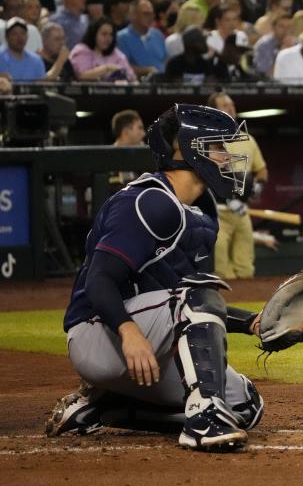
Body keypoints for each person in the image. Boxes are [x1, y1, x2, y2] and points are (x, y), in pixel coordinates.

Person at [45, 104, 264, 452]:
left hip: (144, 336)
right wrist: (128, 331)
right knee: (198, 295)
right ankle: (203, 419)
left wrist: (253, 322)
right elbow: (99, 279)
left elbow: (178, 298)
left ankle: (103, 409)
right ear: (191, 150)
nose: (228, 157)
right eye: (219, 147)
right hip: (99, 333)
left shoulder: (199, 210)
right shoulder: (149, 201)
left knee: (245, 405)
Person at [207, 93, 269, 280]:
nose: (231, 108)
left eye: (232, 104)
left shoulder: (247, 139)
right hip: (217, 212)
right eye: (225, 105)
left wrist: (256, 189)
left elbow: (262, 171)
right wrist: (226, 198)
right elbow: (208, 175)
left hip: (242, 211)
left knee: (245, 269)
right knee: (222, 272)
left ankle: (248, 306)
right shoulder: (207, 139)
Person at [117, 0, 167, 78]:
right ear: (133, 15)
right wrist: (146, 70)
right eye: (146, 14)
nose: (150, 17)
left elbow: (165, 61)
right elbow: (121, 67)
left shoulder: (158, 35)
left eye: (152, 14)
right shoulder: (121, 38)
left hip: (163, 83)